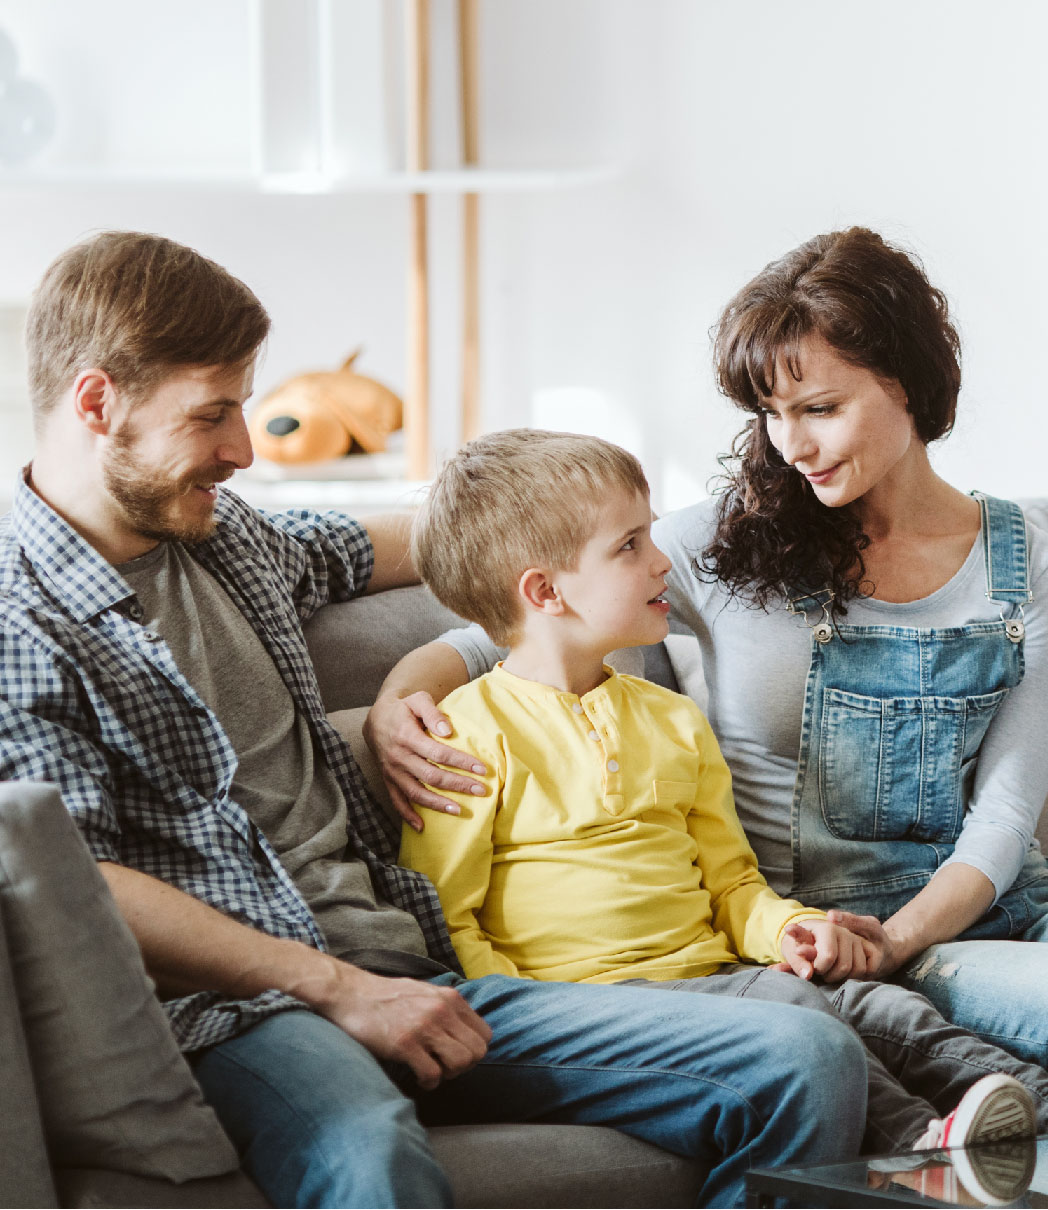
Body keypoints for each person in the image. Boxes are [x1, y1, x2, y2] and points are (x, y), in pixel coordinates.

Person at [0, 230, 873, 1210]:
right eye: (211, 415)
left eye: (244, 407)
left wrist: (424, 668)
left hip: (427, 973)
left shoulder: (224, 537)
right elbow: (80, 879)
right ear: (96, 404)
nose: (244, 449)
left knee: (806, 1057)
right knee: (367, 1153)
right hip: (255, 1012)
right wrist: (336, 988)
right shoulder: (19, 622)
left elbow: (443, 541)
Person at [366, 227, 1048, 1069]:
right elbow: (504, 617)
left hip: (983, 919)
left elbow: (1007, 815)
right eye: (771, 414)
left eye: (819, 409)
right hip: (810, 941)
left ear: (906, 381)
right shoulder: (727, 542)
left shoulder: (1027, 555)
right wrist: (394, 708)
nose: (791, 448)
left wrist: (896, 939)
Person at [398, 427, 1044, 1157]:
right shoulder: (460, 738)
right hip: (589, 1007)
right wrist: (536, 1012)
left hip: (717, 976)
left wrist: (791, 931)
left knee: (878, 1004)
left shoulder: (672, 719)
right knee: (791, 1004)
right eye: (630, 546)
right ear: (545, 592)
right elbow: (444, 918)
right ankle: (922, 1145)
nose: (661, 561)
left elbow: (732, 885)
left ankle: (1029, 1104)